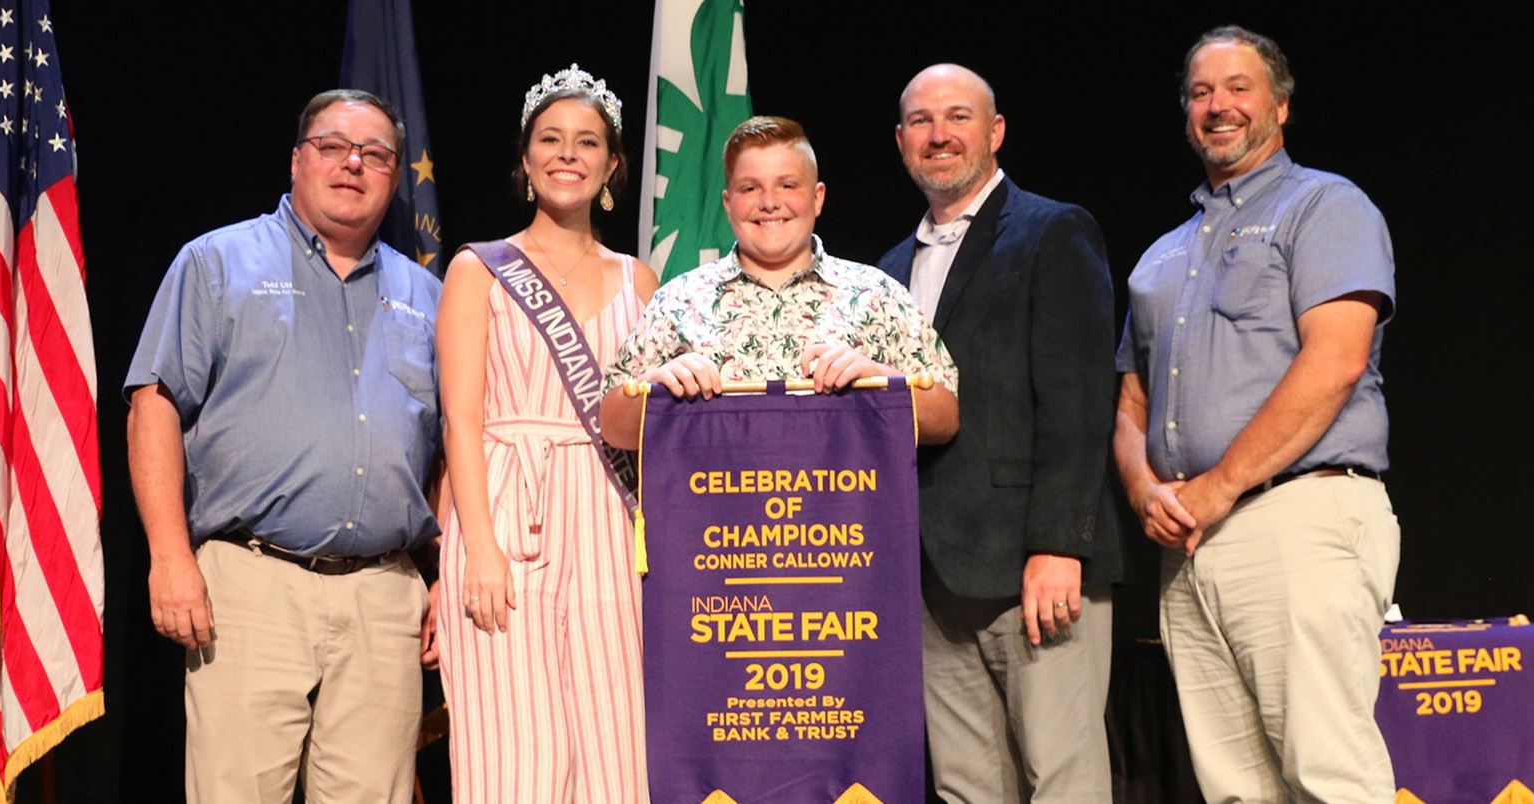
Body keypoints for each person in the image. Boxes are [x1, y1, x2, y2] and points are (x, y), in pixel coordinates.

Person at [123, 89, 442, 804]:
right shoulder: (216, 263)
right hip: (250, 584)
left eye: (376, 154)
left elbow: (445, 448)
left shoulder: (427, 293)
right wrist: (170, 558)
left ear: (394, 177)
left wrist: (444, 573)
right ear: (298, 160)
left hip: (385, 596)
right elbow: (153, 409)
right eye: (333, 146)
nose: (353, 164)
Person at [1113, 25, 1401, 802]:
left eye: (1239, 87)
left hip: (1296, 516)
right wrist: (1146, 490)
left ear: (1280, 104)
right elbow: (1131, 401)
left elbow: (1335, 362)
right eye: (1201, 92)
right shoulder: (1162, 255)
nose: (1219, 106)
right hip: (1190, 544)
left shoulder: (1326, 206)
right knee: (1236, 789)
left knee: (1329, 775)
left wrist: (1219, 485)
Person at [874, 65, 1122, 803]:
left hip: (1033, 569)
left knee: (1062, 781)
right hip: (931, 581)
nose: (940, 134)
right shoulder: (886, 272)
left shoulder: (1052, 231)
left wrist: (1059, 544)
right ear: (900, 141)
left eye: (958, 117)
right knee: (966, 789)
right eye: (921, 121)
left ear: (995, 132)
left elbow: (1079, 403)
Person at [432, 64, 657, 804]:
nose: (569, 154)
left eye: (587, 143)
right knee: (514, 751)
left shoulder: (640, 280)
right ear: (526, 162)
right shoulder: (480, 270)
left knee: (614, 742)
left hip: (607, 516)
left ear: (611, 166)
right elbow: (461, 418)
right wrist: (480, 546)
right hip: (503, 512)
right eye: (551, 140)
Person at [599, 115, 957, 446]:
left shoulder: (876, 295)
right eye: (750, 188)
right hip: (716, 514)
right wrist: (653, 387)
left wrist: (882, 382)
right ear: (728, 203)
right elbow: (613, 427)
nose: (769, 202)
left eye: (787, 185)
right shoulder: (679, 300)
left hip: (845, 514)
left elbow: (945, 418)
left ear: (817, 198)